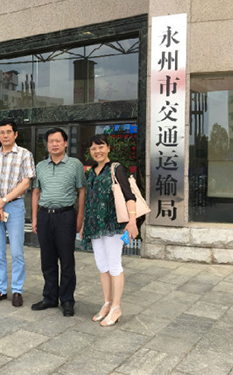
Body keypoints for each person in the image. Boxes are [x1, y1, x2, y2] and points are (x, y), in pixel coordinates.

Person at [80, 134, 138, 326]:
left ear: (108, 148)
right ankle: (106, 303)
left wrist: (132, 221)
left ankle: (116, 307)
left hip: (114, 225)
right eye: (93, 148)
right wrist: (85, 225)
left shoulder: (116, 168)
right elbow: (90, 201)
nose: (97, 151)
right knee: (102, 265)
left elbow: (129, 196)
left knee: (114, 265)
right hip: (96, 226)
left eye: (101, 147)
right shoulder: (91, 172)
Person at [0, 119, 36, 307]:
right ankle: (1, 289)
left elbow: (25, 183)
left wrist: (3, 201)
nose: (5, 135)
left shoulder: (24, 155)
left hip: (14, 206)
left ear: (15, 134)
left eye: (9, 132)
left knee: (17, 251)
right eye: (2, 132)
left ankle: (17, 290)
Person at [31, 127, 86, 317]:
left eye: (58, 141)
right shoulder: (40, 166)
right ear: (47, 144)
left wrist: (80, 217)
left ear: (65, 143)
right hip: (45, 215)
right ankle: (49, 297)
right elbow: (36, 192)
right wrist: (35, 218)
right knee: (47, 259)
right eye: (50, 141)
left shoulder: (75, 165)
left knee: (67, 260)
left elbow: (82, 191)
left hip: (66, 216)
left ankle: (67, 300)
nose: (54, 144)